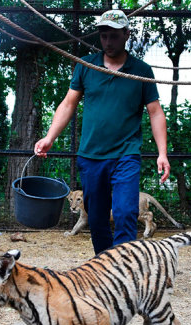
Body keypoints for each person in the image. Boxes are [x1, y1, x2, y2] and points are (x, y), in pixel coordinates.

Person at [34, 9, 170, 254]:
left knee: (125, 213)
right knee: (96, 219)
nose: (108, 42)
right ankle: (104, 267)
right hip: (91, 156)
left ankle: (124, 272)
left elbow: (155, 112)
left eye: (114, 36)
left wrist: (162, 153)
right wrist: (49, 137)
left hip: (126, 155)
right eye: (104, 36)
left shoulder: (141, 70)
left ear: (127, 34)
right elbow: (68, 104)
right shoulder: (86, 65)